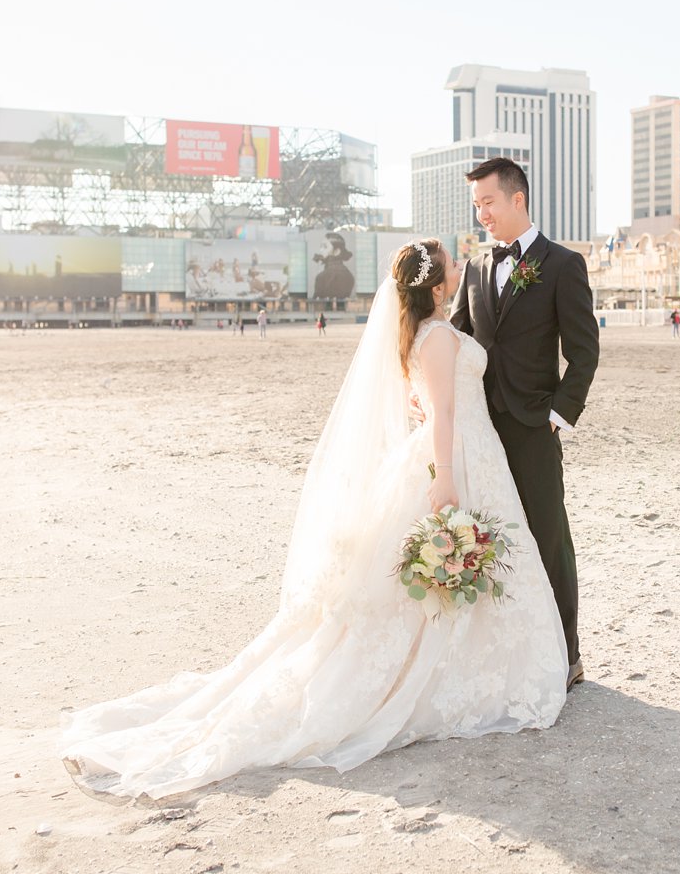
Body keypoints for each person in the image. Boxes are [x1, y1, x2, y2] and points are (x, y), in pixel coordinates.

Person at [61, 239, 567, 799]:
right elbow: (444, 410)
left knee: (440, 577)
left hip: (460, 449)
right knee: (443, 571)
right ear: (438, 282)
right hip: (458, 456)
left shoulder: (420, 335)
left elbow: (424, 401)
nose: (457, 262)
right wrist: (444, 475)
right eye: (449, 259)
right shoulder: (441, 337)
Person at [449, 157, 599, 690]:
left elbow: (584, 353)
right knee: (485, 538)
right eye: (476, 206)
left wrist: (557, 417)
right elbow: (456, 340)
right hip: (481, 428)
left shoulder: (562, 264)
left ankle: (568, 656)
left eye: (488, 202)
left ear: (517, 198)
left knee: (548, 537)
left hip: (535, 427)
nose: (482, 214)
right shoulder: (473, 267)